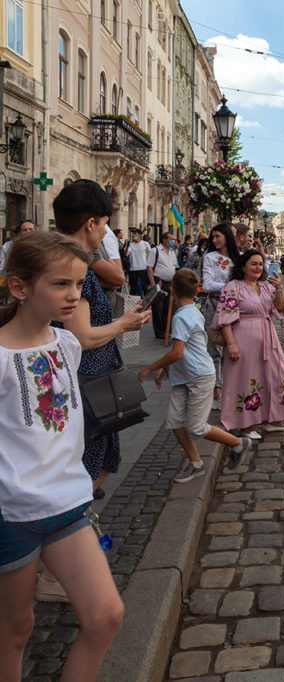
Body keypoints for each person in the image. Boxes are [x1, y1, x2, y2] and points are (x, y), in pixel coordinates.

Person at [0, 230, 124, 680]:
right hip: (13, 513)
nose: (74, 295)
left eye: (78, 283)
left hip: (68, 505)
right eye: (60, 284)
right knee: (14, 629)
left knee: (105, 614)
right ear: (19, 287)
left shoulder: (66, 345)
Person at [53, 181, 150, 499]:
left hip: (87, 379)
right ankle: (71, 525)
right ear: (91, 223)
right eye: (106, 224)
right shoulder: (73, 265)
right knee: (91, 465)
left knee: (101, 462)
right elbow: (80, 336)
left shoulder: (61, 257)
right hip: (86, 382)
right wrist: (124, 323)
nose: (105, 232)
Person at [138, 269, 252, 481]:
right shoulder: (193, 310)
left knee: (197, 427)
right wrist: (165, 366)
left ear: (171, 290)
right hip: (185, 375)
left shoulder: (181, 317)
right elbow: (180, 348)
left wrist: (150, 367)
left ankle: (238, 443)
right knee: (174, 421)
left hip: (199, 376)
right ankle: (196, 463)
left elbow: (177, 351)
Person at [212, 249, 284, 439]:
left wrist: (280, 289)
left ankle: (275, 419)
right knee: (245, 379)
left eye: (260, 264)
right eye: (253, 264)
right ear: (243, 266)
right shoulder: (233, 287)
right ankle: (245, 425)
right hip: (243, 337)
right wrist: (231, 344)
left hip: (268, 337)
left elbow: (280, 308)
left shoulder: (266, 286)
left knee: (276, 375)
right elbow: (225, 318)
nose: (258, 267)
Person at [202, 224, 241, 408]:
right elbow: (208, 284)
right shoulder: (210, 257)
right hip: (215, 305)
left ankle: (232, 387)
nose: (215, 240)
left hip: (237, 307)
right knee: (214, 348)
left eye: (218, 236)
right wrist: (230, 286)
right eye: (213, 237)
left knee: (234, 347)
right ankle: (217, 387)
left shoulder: (239, 258)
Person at [149, 232, 179, 341]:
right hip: (159, 282)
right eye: (172, 239)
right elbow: (149, 267)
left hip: (170, 283)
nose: (174, 241)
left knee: (169, 306)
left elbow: (174, 267)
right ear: (165, 240)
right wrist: (152, 283)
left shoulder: (172, 252)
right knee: (158, 307)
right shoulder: (155, 250)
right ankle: (159, 331)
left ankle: (167, 330)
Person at [126, 228, 152, 296]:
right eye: (132, 234)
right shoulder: (131, 244)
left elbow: (150, 254)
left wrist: (149, 265)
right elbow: (127, 253)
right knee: (133, 288)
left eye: (135, 234)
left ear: (139, 235)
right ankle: (132, 302)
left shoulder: (145, 244)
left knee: (144, 287)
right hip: (133, 268)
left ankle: (147, 303)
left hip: (143, 268)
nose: (133, 235)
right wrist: (125, 248)